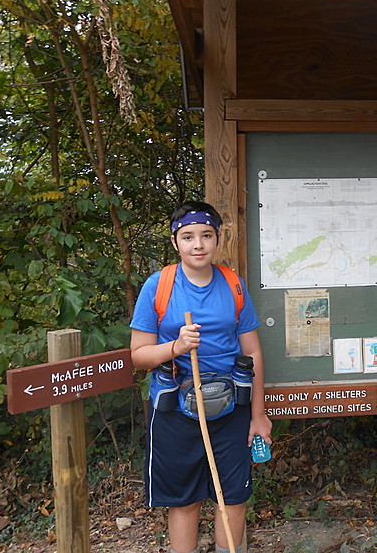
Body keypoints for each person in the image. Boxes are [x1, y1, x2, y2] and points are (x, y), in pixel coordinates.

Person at [130, 201, 272, 553]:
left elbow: (252, 352)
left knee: (232, 497)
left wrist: (258, 415)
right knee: (184, 500)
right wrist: (176, 346)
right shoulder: (158, 286)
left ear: (218, 238)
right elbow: (138, 355)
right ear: (175, 241)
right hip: (175, 409)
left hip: (230, 410)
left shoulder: (233, 285)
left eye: (206, 235)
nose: (198, 244)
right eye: (189, 236)